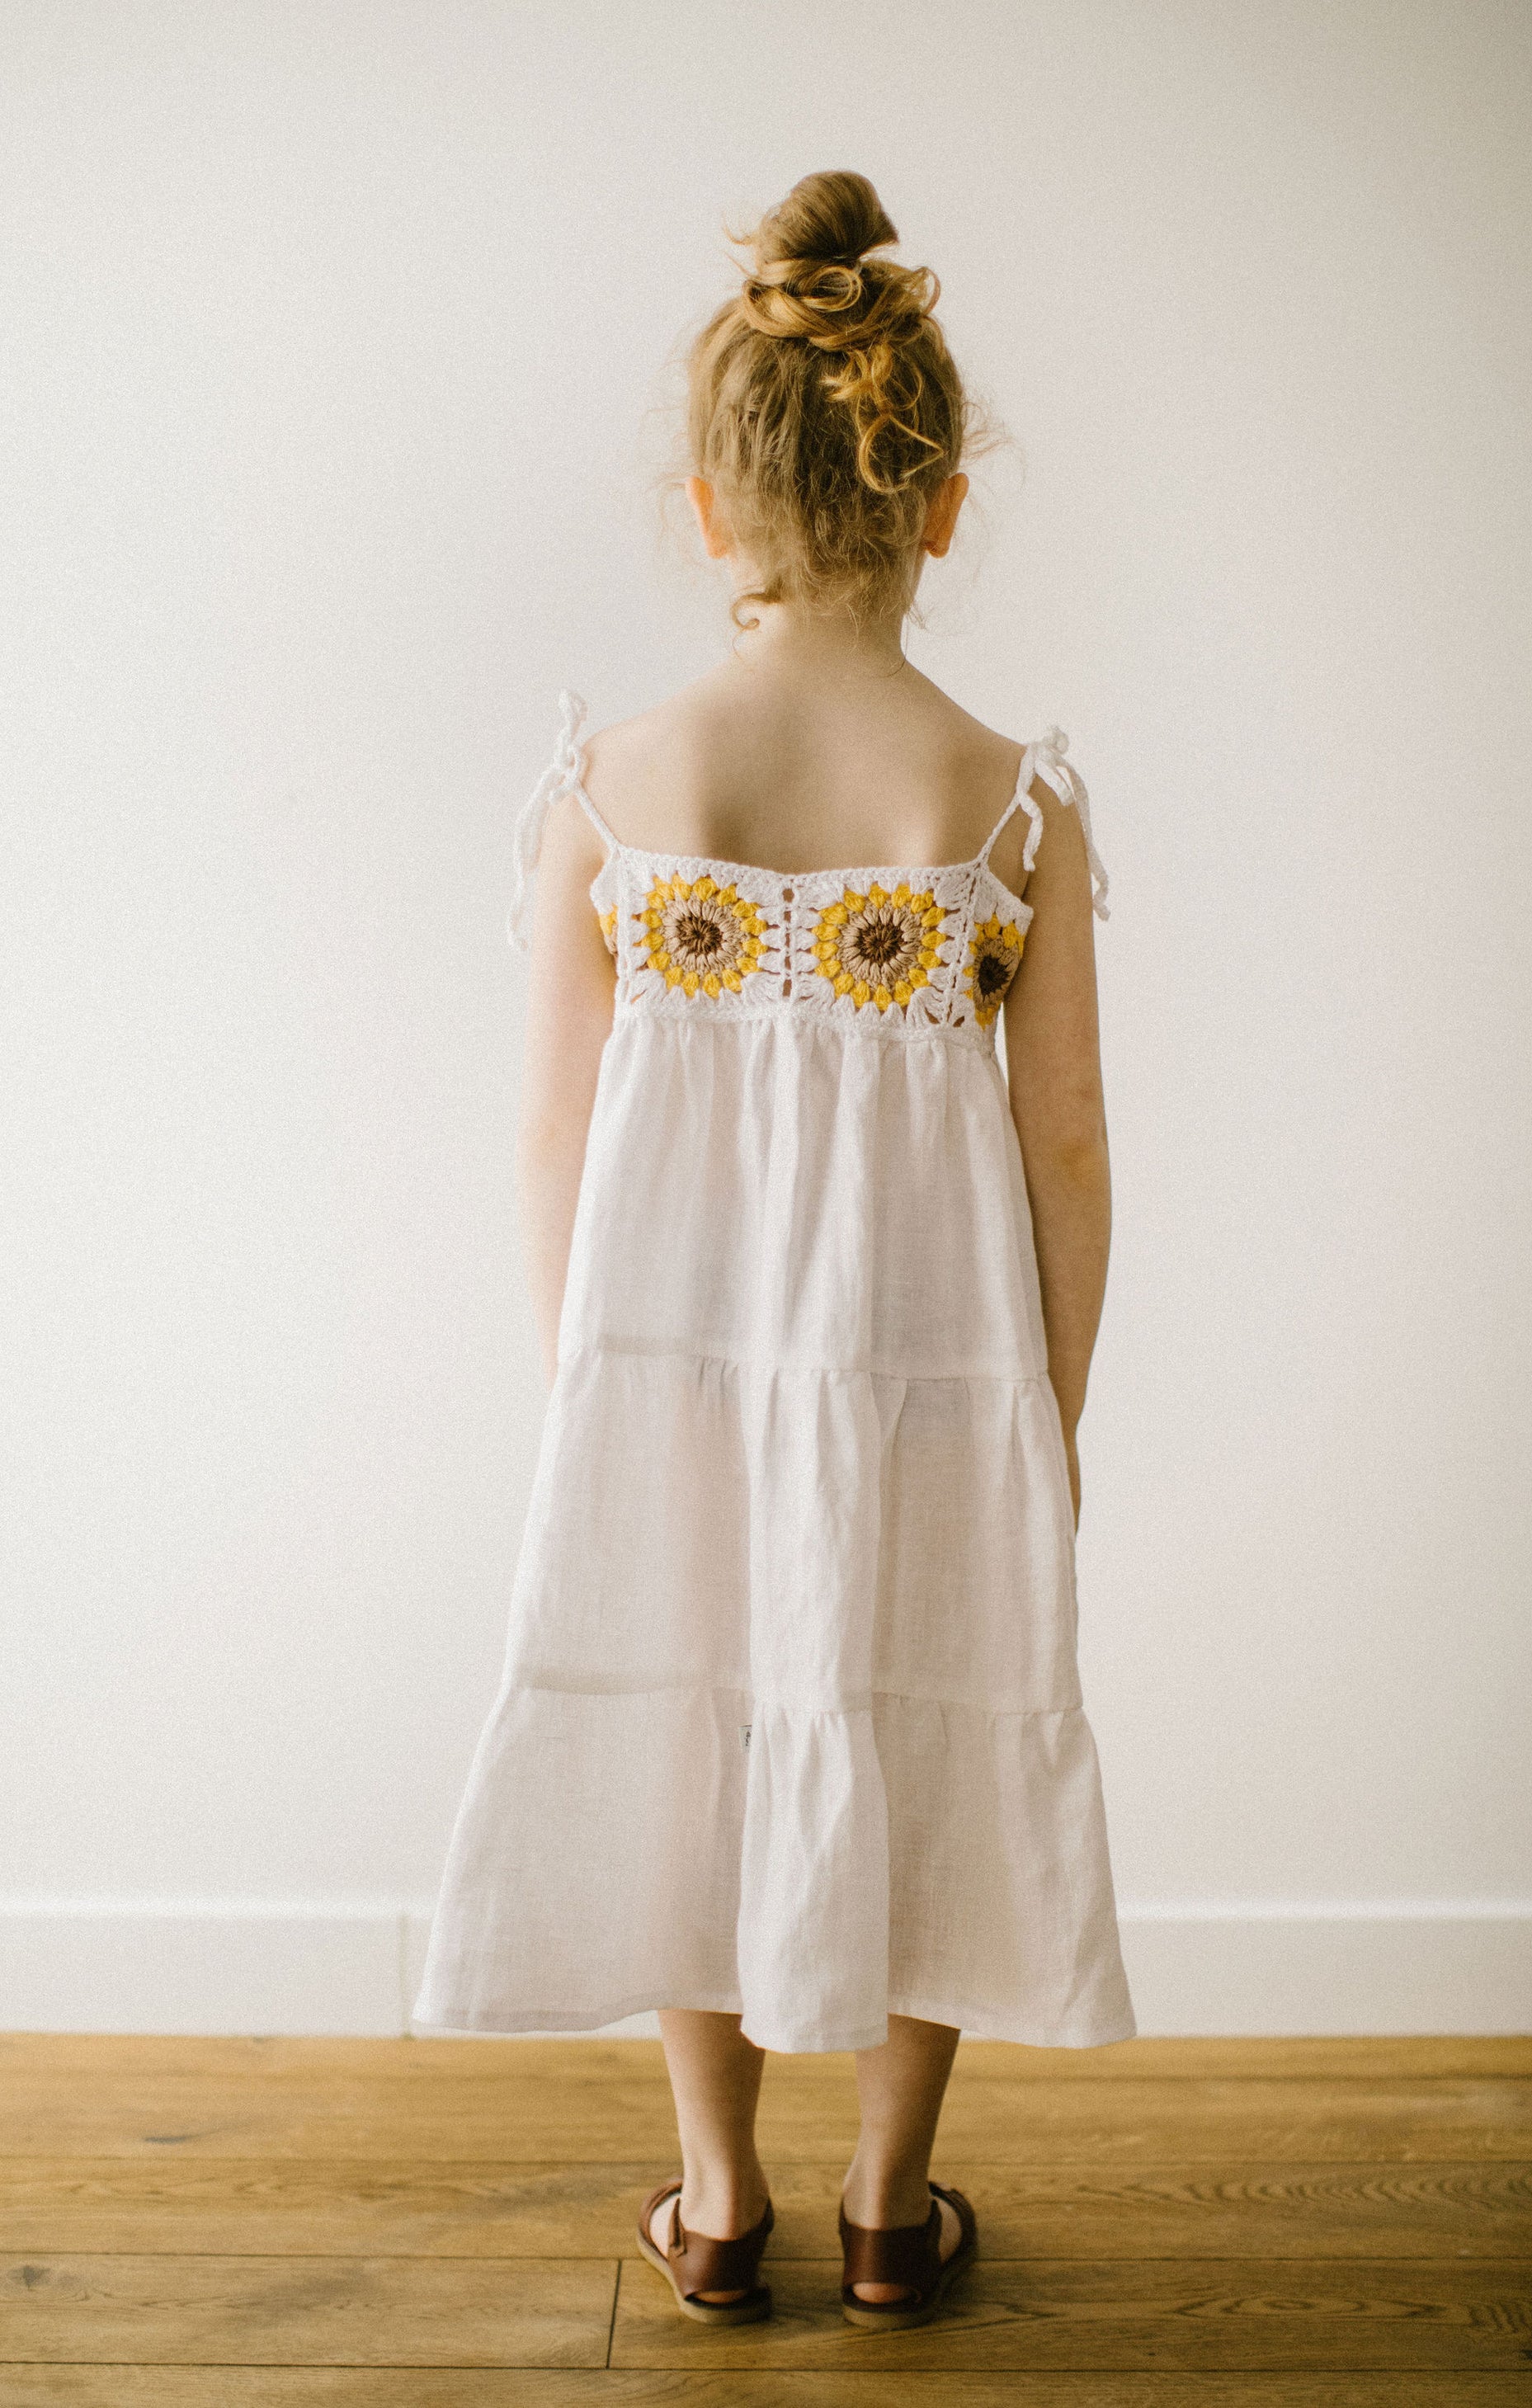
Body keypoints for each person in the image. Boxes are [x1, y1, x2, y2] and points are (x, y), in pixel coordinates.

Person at [413, 167, 1135, 2332]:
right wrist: (1050, 1410)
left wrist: (590, 1388)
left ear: (705, 509)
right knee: (936, 1702)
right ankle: (889, 2206)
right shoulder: (1007, 805)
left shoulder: (613, 791)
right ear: (934, 508)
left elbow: (550, 1124)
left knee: (689, 1728)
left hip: (672, 1370)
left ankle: (715, 2199)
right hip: (934, 1372)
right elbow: (1068, 1141)